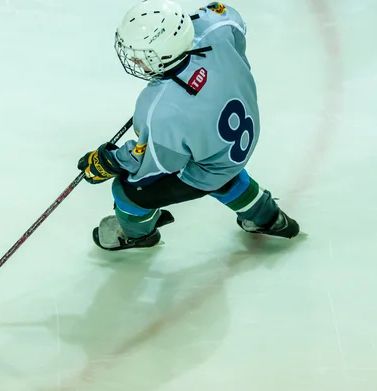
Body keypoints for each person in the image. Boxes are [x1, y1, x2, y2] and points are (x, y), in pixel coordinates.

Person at [77, 0, 300, 251]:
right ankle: (269, 217)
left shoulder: (159, 109)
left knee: (129, 190)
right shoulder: (213, 25)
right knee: (214, 159)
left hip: (214, 160)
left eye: (141, 55)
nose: (133, 59)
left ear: (163, 54)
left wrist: (111, 162)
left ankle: (137, 235)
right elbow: (231, 21)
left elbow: (154, 166)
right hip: (242, 131)